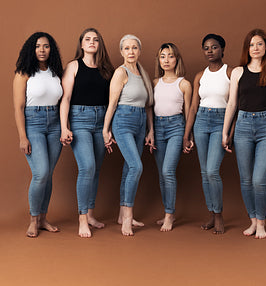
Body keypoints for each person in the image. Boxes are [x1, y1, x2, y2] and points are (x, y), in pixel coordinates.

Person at [222, 29, 266, 239]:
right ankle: (252, 220)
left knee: (259, 179)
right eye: (251, 44)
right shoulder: (239, 72)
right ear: (247, 48)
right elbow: (232, 103)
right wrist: (225, 131)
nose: (255, 48)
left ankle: (261, 222)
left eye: (259, 44)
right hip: (243, 125)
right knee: (246, 179)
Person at [59, 28, 114, 238]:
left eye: (96, 39)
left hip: (101, 121)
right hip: (79, 119)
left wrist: (109, 129)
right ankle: (82, 219)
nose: (92, 42)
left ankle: (90, 214)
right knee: (87, 167)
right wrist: (65, 127)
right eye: (87, 39)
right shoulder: (73, 66)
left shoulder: (106, 69)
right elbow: (65, 99)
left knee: (96, 169)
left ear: (100, 44)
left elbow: (112, 101)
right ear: (81, 44)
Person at [102, 34, 155, 236]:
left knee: (128, 168)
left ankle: (121, 213)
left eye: (134, 48)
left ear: (139, 51)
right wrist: (106, 130)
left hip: (140, 121)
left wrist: (151, 130)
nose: (131, 52)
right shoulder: (120, 73)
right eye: (127, 48)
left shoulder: (143, 74)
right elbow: (112, 104)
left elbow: (148, 105)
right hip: (123, 121)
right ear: (121, 51)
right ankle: (128, 217)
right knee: (136, 166)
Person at [13, 32, 64, 238]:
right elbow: (18, 107)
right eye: (37, 46)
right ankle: (33, 220)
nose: (42, 50)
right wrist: (22, 136)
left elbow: (63, 101)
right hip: (33, 123)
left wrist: (64, 126)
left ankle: (43, 219)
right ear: (30, 50)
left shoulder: (56, 72)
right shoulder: (23, 73)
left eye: (46, 46)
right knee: (41, 172)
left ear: (51, 49)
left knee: (48, 174)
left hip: (55, 124)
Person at [184, 34, 232, 234]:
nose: (210, 51)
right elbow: (194, 107)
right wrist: (187, 135)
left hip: (222, 121)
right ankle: (211, 214)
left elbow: (235, 105)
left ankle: (219, 214)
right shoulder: (199, 76)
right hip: (201, 121)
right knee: (205, 173)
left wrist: (230, 130)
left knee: (212, 170)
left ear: (222, 49)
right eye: (206, 48)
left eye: (214, 47)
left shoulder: (231, 72)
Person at [152, 43, 192, 232]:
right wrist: (150, 132)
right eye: (163, 56)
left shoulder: (184, 83)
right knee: (162, 174)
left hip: (176, 127)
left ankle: (169, 213)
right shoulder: (154, 83)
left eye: (170, 56)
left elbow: (188, 112)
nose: (166, 60)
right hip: (158, 128)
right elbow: (149, 110)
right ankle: (168, 212)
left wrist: (187, 136)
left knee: (168, 170)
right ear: (159, 60)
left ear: (177, 59)